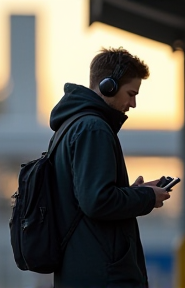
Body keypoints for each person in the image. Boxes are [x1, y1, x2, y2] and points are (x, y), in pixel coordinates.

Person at [50, 47, 171, 288]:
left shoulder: (71, 126)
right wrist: (146, 197)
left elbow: (87, 197)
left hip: (82, 267)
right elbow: (97, 201)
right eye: (131, 93)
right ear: (109, 86)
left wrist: (134, 192)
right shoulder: (93, 129)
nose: (133, 103)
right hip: (103, 273)